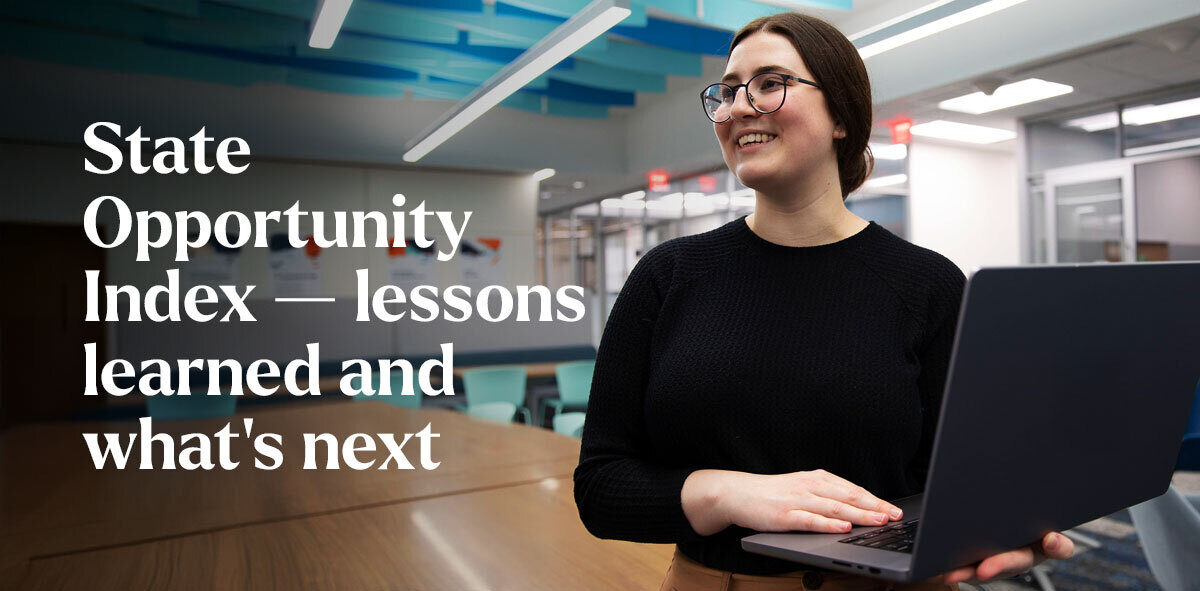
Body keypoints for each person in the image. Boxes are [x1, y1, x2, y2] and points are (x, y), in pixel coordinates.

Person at [573, 12, 1074, 591]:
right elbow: (602, 488)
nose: (737, 107)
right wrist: (724, 490)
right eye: (728, 90)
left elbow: (963, 475)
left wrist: (1007, 525)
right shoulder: (667, 276)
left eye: (768, 83)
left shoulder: (928, 285)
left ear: (840, 114)